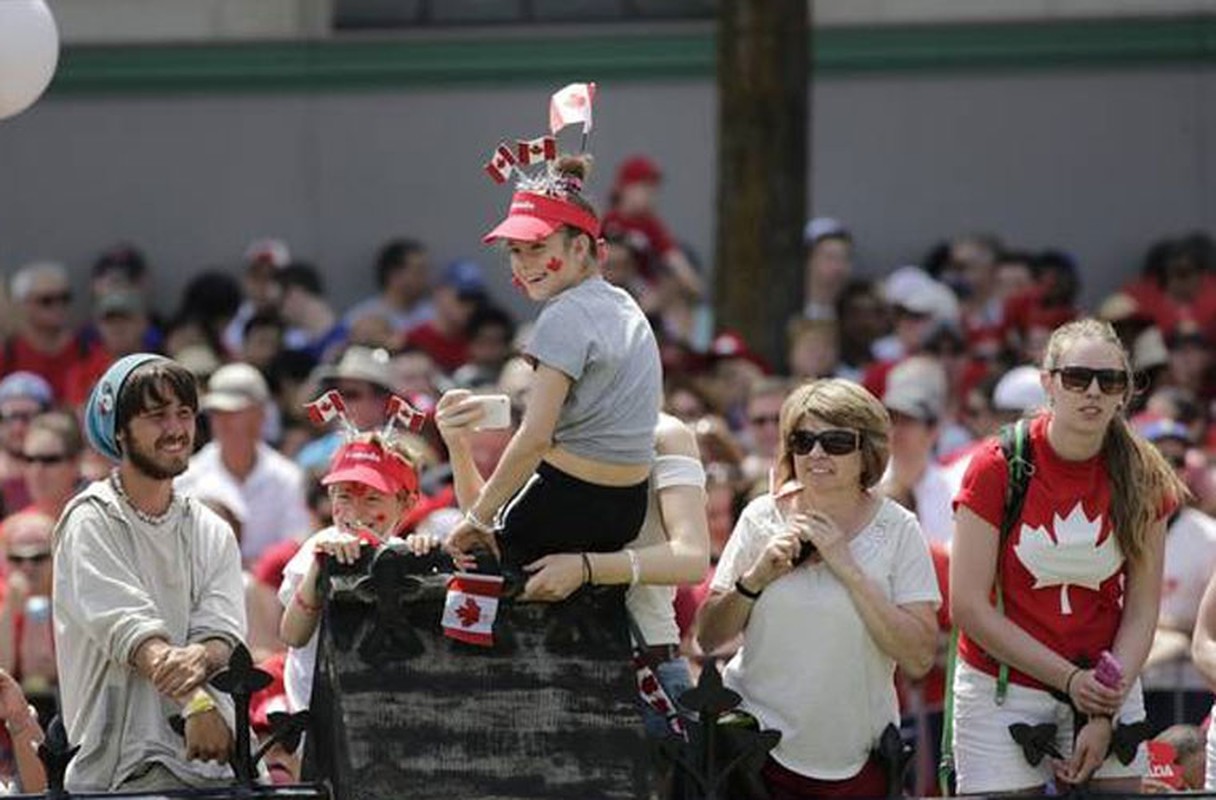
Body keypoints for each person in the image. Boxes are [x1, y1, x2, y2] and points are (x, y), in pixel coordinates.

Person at [951, 318, 1185, 794]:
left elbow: (1142, 609)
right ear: (1048, 382)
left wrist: (1100, 704)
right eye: (1077, 377)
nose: (1093, 391)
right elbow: (968, 606)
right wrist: (1071, 681)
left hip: (1107, 682)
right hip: (1002, 686)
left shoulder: (1145, 473)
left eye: (1110, 380)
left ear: (1126, 392)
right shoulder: (997, 465)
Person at [695, 378, 940, 799]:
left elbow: (919, 657)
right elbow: (709, 634)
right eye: (803, 440)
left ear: (868, 450)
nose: (817, 454)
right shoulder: (760, 518)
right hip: (755, 757)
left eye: (836, 441)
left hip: (859, 763)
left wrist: (849, 569)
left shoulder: (900, 529)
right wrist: (755, 578)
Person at [437, 397, 710, 735]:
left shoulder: (662, 433)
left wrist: (586, 568)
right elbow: (491, 534)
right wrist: (458, 446)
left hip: (640, 663)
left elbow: (692, 559)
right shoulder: (541, 430)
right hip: (540, 664)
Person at [443, 154, 662, 573]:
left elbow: (535, 437)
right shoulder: (625, 304)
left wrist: (475, 519)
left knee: (466, 560)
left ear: (580, 247)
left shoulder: (563, 314)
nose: (524, 263)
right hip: (626, 507)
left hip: (567, 503)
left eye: (538, 247)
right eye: (515, 251)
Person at [54, 354, 246, 792]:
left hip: (213, 764)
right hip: (119, 774)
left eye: (184, 413)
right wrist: (195, 703)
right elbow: (131, 631)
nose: (176, 429)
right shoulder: (91, 519)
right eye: (156, 416)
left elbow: (222, 631)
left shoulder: (211, 528)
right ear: (119, 429)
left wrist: (204, 655)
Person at [278, 432, 424, 711]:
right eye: (344, 496)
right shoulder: (316, 548)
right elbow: (292, 636)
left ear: (406, 504)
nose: (355, 512)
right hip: (317, 715)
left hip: (381, 706)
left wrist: (425, 558)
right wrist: (320, 566)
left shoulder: (401, 553)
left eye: (372, 499)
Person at [177, 363, 311, 565]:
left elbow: (295, 549)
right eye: (216, 412)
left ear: (260, 415)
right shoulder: (186, 478)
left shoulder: (288, 478)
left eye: (233, 412)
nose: (222, 421)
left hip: (271, 590)